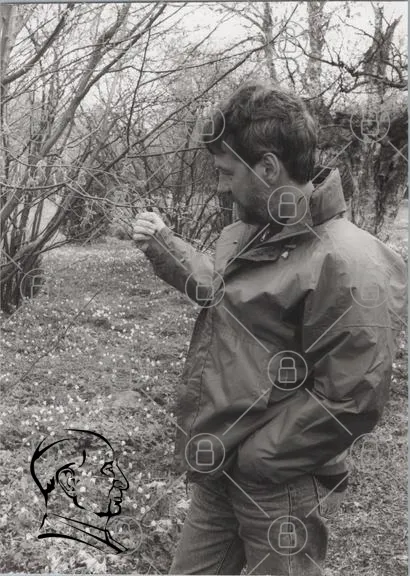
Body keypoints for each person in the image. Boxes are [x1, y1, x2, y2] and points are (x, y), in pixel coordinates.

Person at [132, 82, 407, 575]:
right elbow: (223, 292)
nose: (221, 187)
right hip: (222, 465)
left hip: (279, 484)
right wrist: (165, 244)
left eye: (227, 172)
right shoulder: (253, 232)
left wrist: (259, 459)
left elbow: (353, 396)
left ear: (267, 167)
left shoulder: (346, 261)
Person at [31, 429, 129, 554]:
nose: (124, 484)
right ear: (69, 483)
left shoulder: (100, 544)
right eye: (108, 469)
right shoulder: (66, 551)